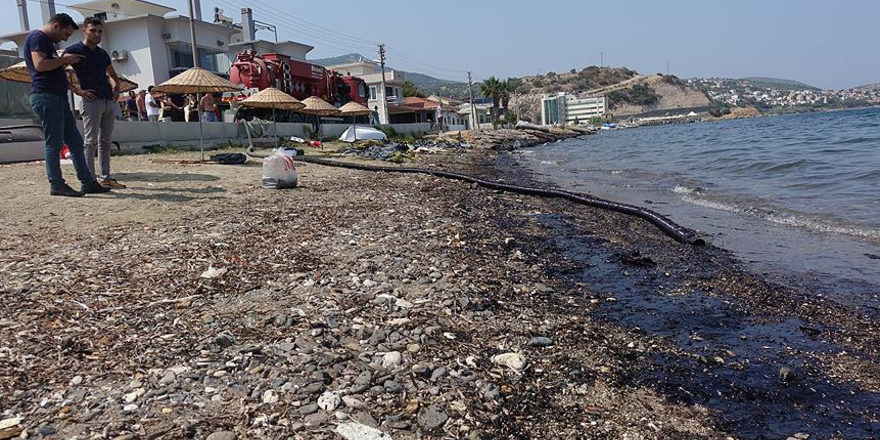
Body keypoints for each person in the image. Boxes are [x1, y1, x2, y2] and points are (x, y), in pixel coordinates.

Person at [25, 13, 110, 197]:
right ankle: (56, 183)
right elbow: (40, 65)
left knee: (75, 142)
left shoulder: (47, 41)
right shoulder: (38, 38)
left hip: (57, 97)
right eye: (66, 34)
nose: (66, 38)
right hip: (46, 96)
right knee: (54, 143)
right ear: (56, 26)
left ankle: (87, 182)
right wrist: (65, 59)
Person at [63, 16, 125, 189]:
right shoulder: (73, 50)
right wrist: (77, 91)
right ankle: (89, 179)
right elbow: (59, 72)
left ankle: (105, 177)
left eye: (99, 31)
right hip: (90, 101)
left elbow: (112, 75)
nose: (97, 34)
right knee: (90, 142)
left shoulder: (102, 53)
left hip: (108, 100)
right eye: (93, 30)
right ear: (84, 30)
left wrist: (116, 89)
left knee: (105, 141)